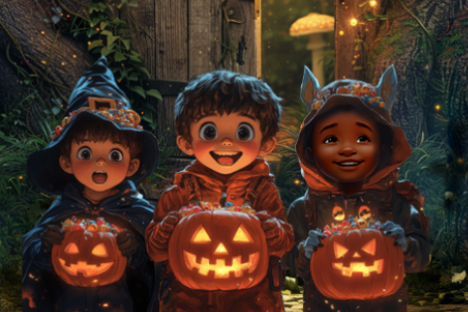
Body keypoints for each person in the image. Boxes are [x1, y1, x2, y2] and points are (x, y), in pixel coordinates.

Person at [145, 70, 295, 312]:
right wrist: (167, 229)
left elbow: (284, 243)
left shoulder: (264, 192)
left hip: (253, 301)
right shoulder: (178, 195)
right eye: (210, 132)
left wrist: (269, 227)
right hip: (187, 302)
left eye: (242, 133)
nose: (226, 142)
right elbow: (155, 251)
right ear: (186, 142)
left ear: (265, 144)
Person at [22, 56, 160, 312]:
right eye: (86, 154)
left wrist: (137, 252)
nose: (100, 163)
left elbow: (158, 264)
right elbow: (32, 253)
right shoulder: (62, 210)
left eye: (114, 155)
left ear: (131, 166)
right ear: (67, 162)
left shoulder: (141, 214)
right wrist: (45, 246)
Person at [287, 65, 430, 312]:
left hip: (385, 306)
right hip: (323, 305)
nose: (347, 149)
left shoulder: (397, 202)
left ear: (383, 150)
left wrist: (405, 244)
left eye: (362, 139)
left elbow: (421, 259)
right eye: (331, 139)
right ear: (310, 152)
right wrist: (304, 251)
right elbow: (290, 262)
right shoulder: (304, 207)